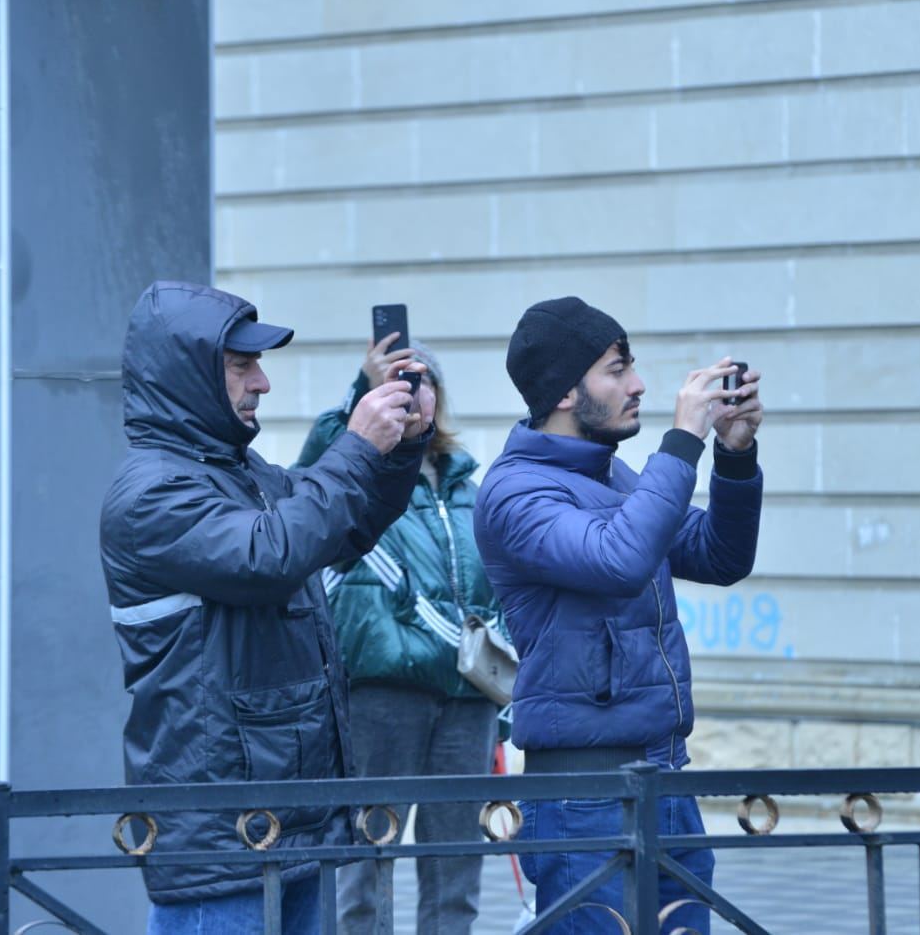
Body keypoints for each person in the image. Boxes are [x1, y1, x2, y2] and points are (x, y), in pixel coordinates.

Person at [99, 281, 433, 934]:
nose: (263, 382)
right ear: (187, 375)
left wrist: (401, 449)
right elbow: (270, 554)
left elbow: (343, 527)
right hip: (221, 838)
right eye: (241, 365)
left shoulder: (240, 473)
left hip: (285, 818)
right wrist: (357, 444)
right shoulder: (150, 494)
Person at [473, 296, 764, 934]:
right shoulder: (515, 491)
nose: (638, 385)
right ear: (565, 392)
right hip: (583, 796)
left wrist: (735, 456)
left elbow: (719, 555)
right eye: (617, 369)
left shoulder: (618, 478)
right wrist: (683, 441)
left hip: (664, 776)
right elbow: (618, 560)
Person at [294, 332, 506, 935]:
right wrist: (360, 393)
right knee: (366, 857)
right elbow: (310, 480)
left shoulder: (470, 489)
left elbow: (498, 588)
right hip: (384, 690)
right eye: (398, 380)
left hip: (467, 697)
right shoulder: (362, 474)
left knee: (456, 862)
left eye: (422, 380)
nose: (412, 391)